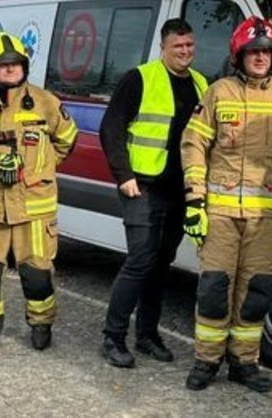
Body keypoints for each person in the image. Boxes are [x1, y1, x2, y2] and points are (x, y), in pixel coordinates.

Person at [179, 16, 272, 393]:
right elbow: (193, 147)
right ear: (239, 54)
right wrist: (194, 202)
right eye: (253, 51)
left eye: (266, 52)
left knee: (255, 294)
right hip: (220, 215)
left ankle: (244, 363)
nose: (260, 57)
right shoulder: (219, 92)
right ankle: (206, 361)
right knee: (215, 290)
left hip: (264, 218)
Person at [0, 31, 79, 353]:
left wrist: (42, 169)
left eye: (15, 64)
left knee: (37, 274)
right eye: (3, 65)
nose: (10, 70)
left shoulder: (45, 102)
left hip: (34, 207)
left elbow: (67, 139)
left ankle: (41, 324)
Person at [99, 18, 209, 368]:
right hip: (142, 187)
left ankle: (147, 335)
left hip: (180, 190)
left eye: (190, 45)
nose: (185, 52)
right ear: (163, 47)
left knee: (162, 265)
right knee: (141, 261)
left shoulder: (201, 83)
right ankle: (113, 337)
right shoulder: (140, 77)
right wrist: (123, 174)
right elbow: (111, 127)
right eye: (178, 46)